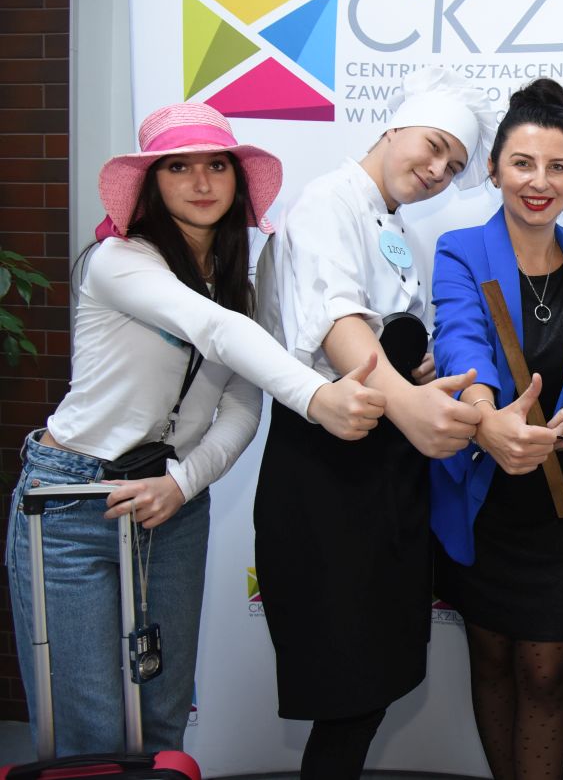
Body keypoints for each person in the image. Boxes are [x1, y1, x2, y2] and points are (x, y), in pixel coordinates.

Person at [5, 102, 383, 755]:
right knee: (89, 735)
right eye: (178, 167)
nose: (201, 182)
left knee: (162, 720)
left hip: (171, 503)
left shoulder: (238, 282)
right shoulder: (119, 260)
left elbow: (241, 409)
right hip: (72, 503)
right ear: (152, 183)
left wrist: (181, 484)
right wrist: (318, 398)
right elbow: (215, 330)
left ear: (237, 179)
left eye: (217, 165)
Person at [253, 67, 496, 780]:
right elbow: (338, 324)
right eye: (434, 146)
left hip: (382, 476)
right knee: (347, 682)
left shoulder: (397, 229)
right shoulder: (327, 201)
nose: (438, 170)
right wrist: (408, 403)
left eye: (454, 165)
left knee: (374, 678)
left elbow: (389, 339)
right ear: (394, 127)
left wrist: (424, 380)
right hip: (327, 473)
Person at [430, 78, 563, 780]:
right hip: (484, 498)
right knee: (491, 661)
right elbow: (459, 340)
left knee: (547, 674)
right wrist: (487, 415)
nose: (539, 182)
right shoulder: (462, 249)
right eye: (522, 163)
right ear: (494, 169)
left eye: (558, 166)